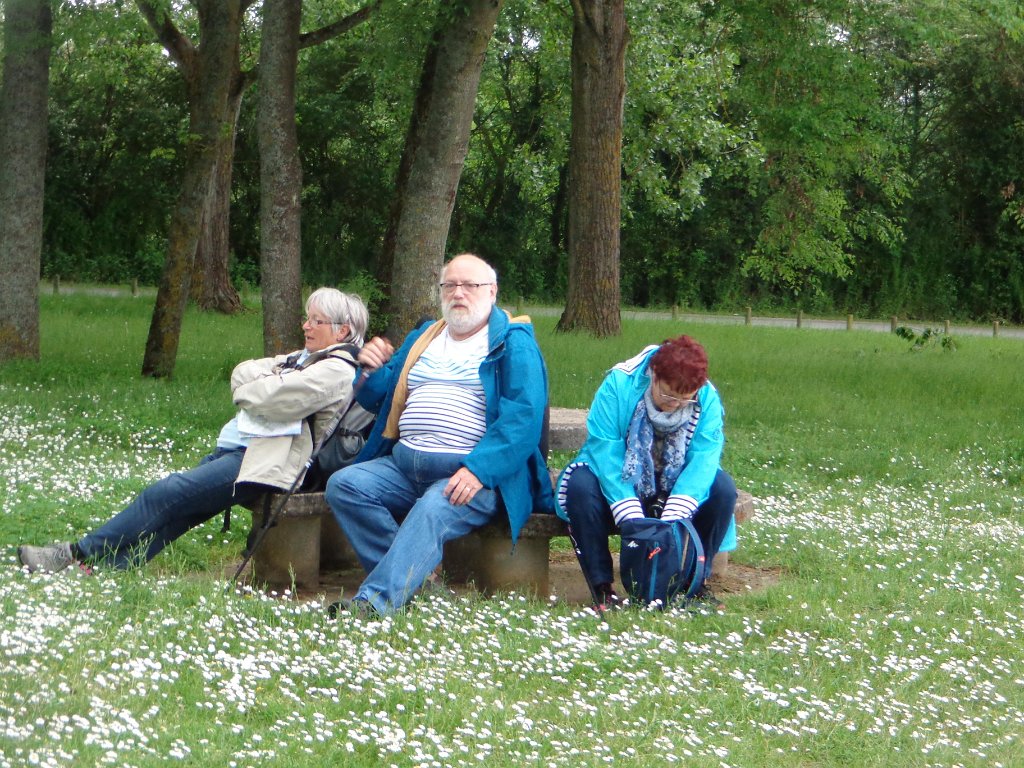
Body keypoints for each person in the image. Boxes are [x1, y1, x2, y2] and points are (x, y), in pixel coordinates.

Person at [17, 288, 369, 574]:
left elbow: (273, 398)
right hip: (247, 450)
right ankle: (106, 569)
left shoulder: (335, 370)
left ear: (342, 331)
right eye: (307, 318)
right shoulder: (305, 358)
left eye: (316, 321)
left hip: (266, 462)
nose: (306, 326)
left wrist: (256, 390)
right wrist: (260, 386)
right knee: (181, 512)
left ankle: (72, 553)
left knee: (165, 494)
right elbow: (243, 371)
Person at [325, 253, 553, 617]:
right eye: (450, 285)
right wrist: (370, 369)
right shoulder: (424, 336)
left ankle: (374, 604)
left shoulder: (512, 342)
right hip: (403, 468)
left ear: (492, 291)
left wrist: (479, 470)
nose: (458, 293)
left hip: (469, 476)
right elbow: (376, 396)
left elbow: (523, 419)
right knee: (346, 485)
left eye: (470, 285)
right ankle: (418, 589)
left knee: (433, 507)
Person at [556, 334, 737, 610]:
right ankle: (602, 589)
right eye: (668, 394)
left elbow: (705, 458)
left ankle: (693, 584)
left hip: (673, 487)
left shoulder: (706, 397)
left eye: (685, 399)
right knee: (580, 485)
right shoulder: (619, 383)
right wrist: (627, 508)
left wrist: (679, 508)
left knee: (723, 489)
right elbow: (604, 450)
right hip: (620, 483)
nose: (675, 404)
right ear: (653, 374)